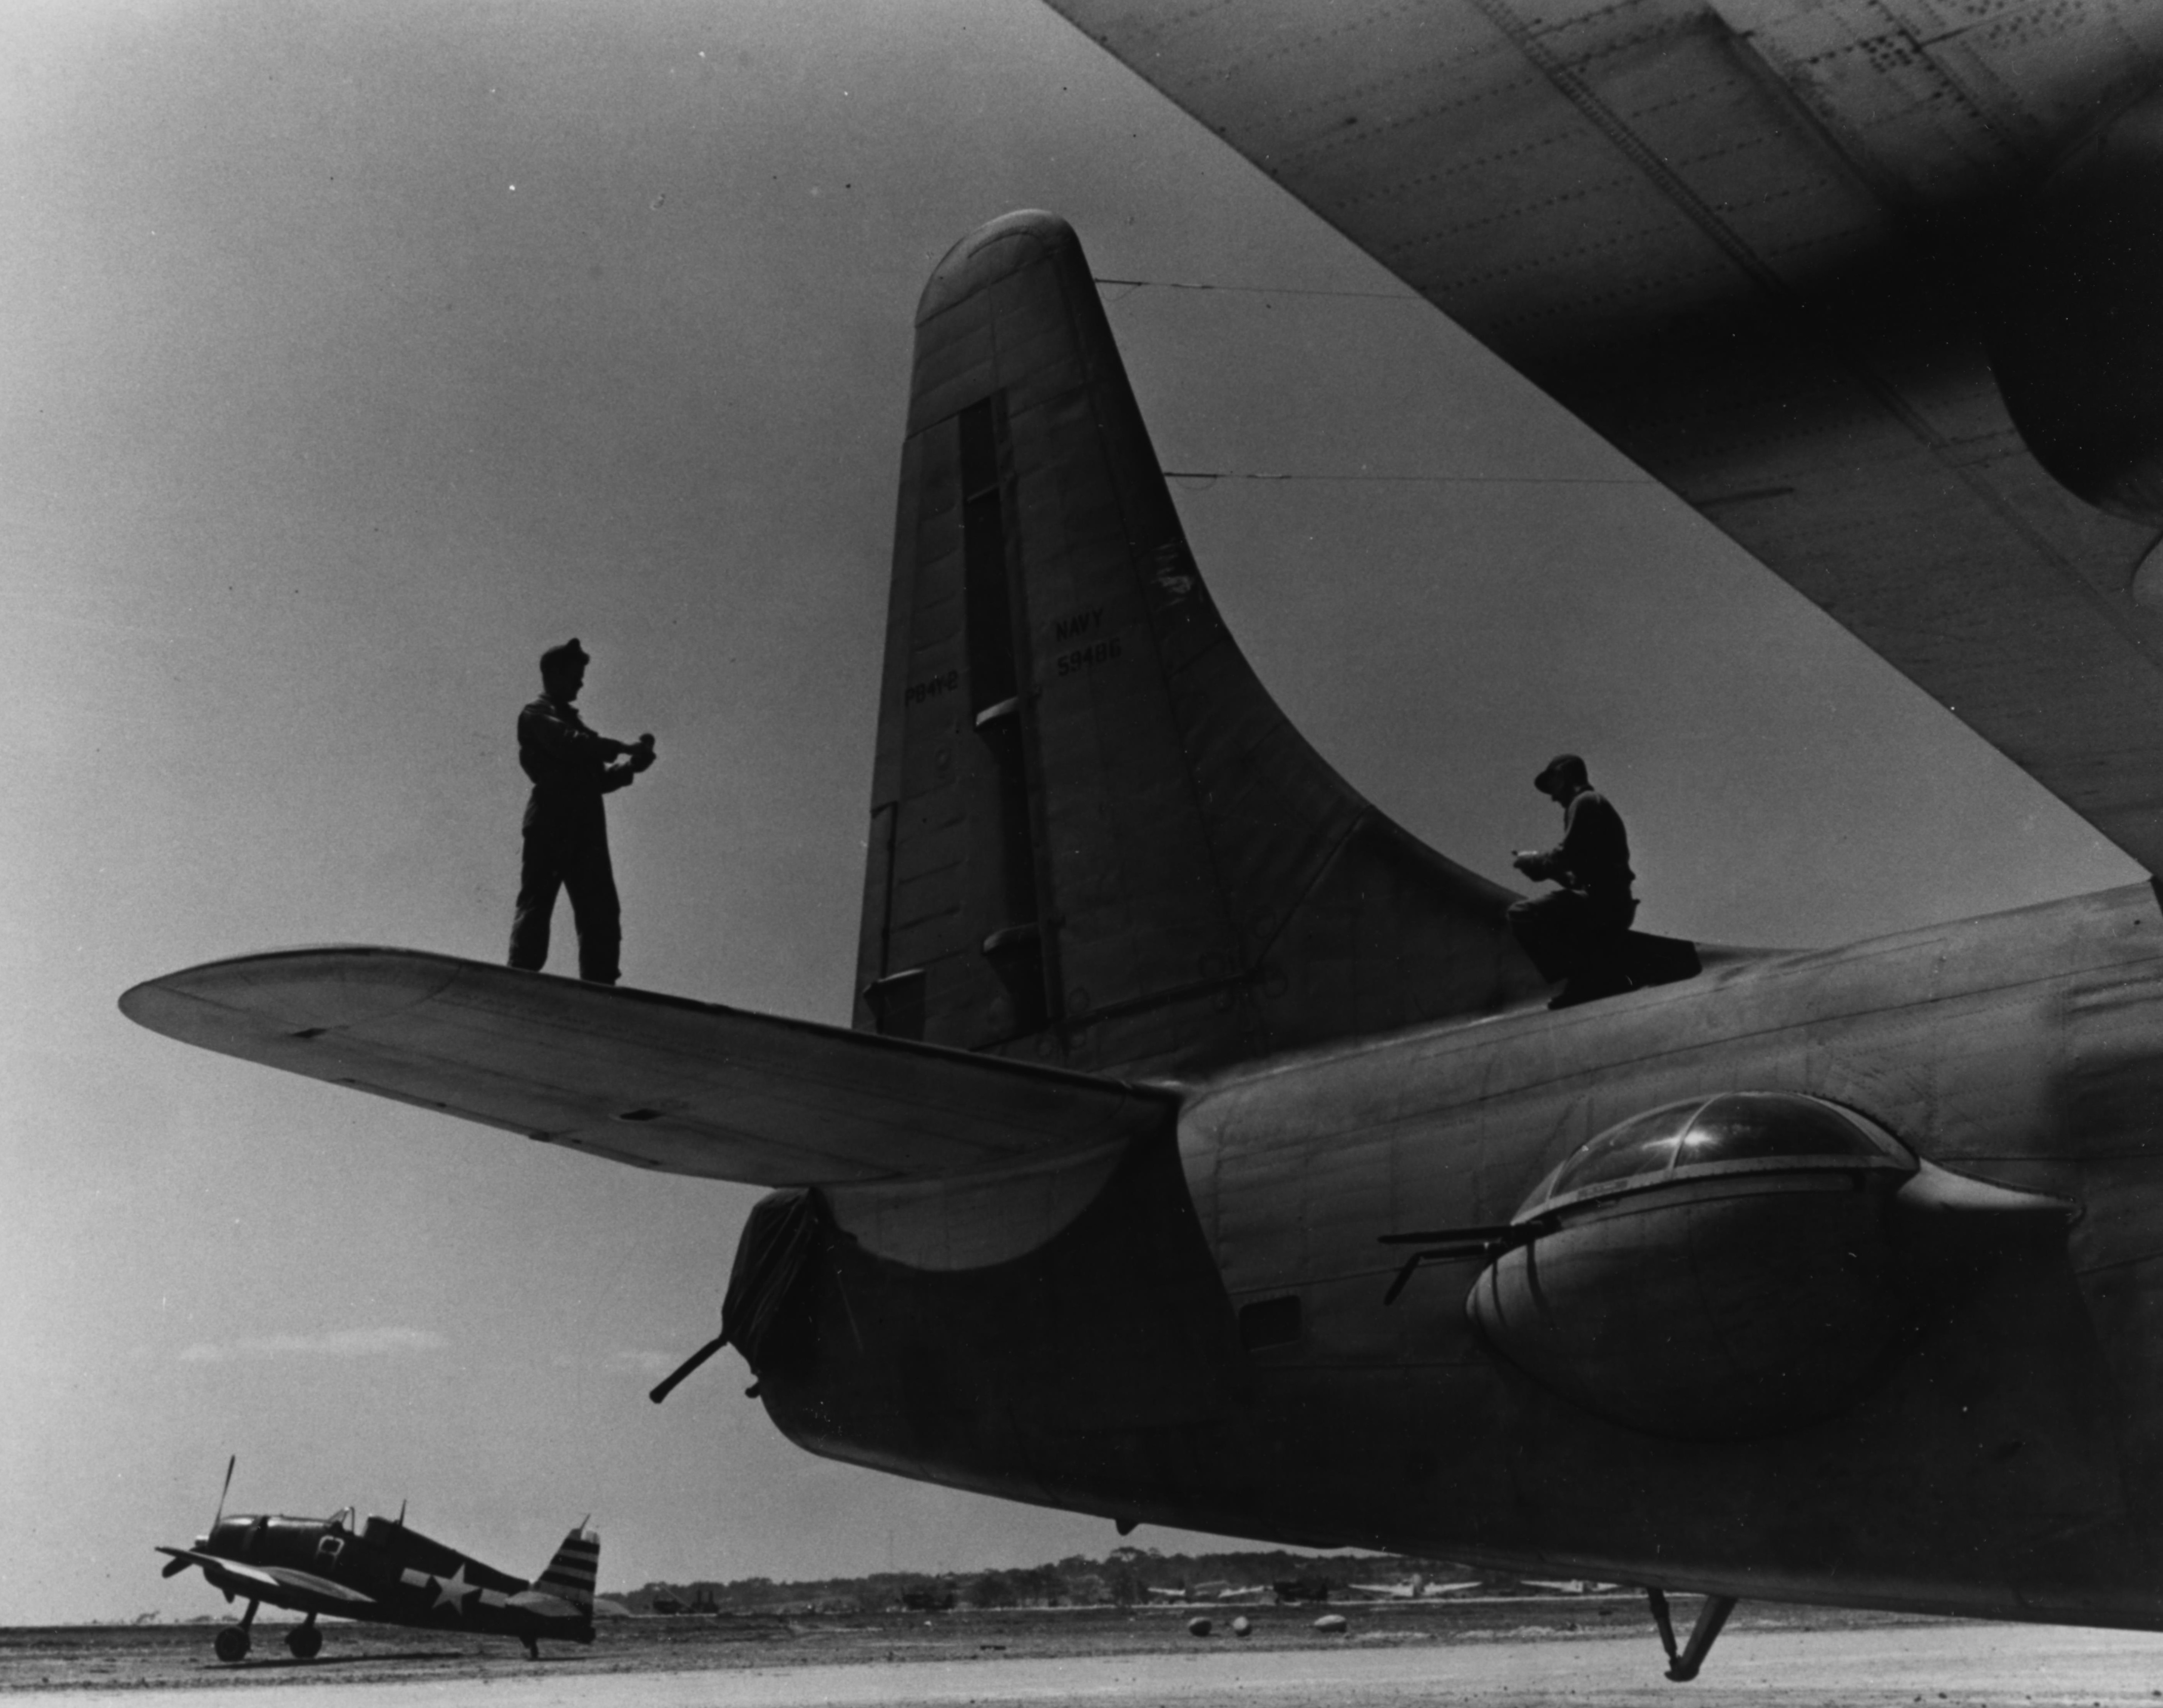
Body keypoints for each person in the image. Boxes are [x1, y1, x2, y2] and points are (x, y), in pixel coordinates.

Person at [507, 639, 656, 984]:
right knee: (538, 903)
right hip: (551, 822)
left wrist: (630, 767)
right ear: (553, 674)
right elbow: (569, 744)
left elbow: (595, 780)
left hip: (586, 828)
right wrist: (620, 748)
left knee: (601, 911)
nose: (581, 683)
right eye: (575, 675)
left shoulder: (569, 720)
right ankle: (519, 979)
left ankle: (600, 986)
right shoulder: (537, 713)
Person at [1507, 753, 1637, 1007]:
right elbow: (1574, 872)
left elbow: (1566, 854)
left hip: (1603, 902)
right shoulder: (1586, 804)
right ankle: (1591, 973)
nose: (1553, 797)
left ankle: (1586, 976)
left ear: (1564, 775)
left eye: (1552, 785)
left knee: (1521, 913)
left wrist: (1533, 861)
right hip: (1608, 900)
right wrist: (1546, 871)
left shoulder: (1585, 802)